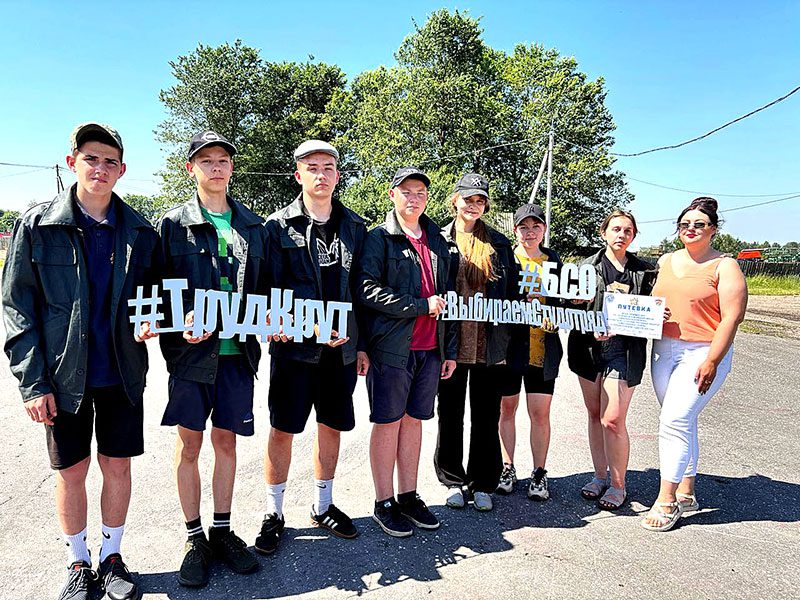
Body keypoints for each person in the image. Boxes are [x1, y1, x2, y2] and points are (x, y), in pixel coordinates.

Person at [2, 123, 160, 600]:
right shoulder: (38, 225)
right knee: (71, 471)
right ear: (73, 162)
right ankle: (78, 562)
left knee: (117, 466)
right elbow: (17, 307)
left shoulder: (140, 231)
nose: (100, 168)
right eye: (91, 158)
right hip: (61, 376)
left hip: (121, 373)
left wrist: (154, 320)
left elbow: (155, 297)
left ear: (122, 170)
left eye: (110, 161)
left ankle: (112, 557)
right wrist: (33, 383)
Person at [158, 131, 267, 586]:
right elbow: (156, 287)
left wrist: (272, 318)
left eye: (223, 159)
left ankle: (222, 531)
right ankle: (194, 538)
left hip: (237, 355)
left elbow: (266, 288)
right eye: (206, 160)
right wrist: (179, 317)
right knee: (189, 446)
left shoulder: (254, 226)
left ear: (232, 168)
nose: (216, 166)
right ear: (191, 168)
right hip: (191, 358)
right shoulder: (172, 224)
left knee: (227, 443)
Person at [257, 140, 369, 554]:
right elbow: (265, 288)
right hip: (294, 351)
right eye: (312, 167)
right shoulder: (276, 226)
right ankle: (274, 512)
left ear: (337, 175)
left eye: (328, 167)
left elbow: (361, 292)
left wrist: (361, 345)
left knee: (331, 425)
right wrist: (281, 322)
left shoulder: (356, 226)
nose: (321, 174)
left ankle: (323, 505)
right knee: (283, 429)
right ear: (298, 175)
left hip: (340, 351)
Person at [358, 167, 457, 537]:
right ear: (392, 195)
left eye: (420, 192)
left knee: (415, 421)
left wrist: (449, 349)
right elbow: (366, 289)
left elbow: (448, 297)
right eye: (406, 191)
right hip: (392, 349)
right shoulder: (379, 238)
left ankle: (408, 495)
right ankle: (383, 501)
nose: (413, 198)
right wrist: (419, 306)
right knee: (388, 422)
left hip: (431, 350)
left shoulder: (438, 241)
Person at [641, 197, 747, 531]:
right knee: (681, 420)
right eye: (685, 224)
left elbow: (732, 317)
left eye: (699, 224)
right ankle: (687, 492)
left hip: (702, 351)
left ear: (713, 229)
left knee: (674, 420)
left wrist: (713, 360)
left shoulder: (725, 266)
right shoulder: (666, 260)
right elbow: (652, 300)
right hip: (663, 348)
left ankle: (667, 500)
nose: (691, 229)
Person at [434, 173, 515, 512]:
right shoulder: (437, 239)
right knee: (449, 414)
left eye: (480, 200)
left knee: (486, 416)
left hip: (488, 344)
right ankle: (453, 480)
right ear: (455, 200)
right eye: (468, 199)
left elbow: (512, 295)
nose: (474, 205)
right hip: (450, 344)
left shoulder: (499, 243)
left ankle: (483, 482)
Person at [567, 210, 658, 510]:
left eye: (628, 230)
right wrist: (575, 305)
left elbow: (655, 307)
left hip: (624, 351)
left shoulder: (645, 271)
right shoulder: (584, 268)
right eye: (616, 229)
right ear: (603, 232)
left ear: (634, 236)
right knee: (595, 415)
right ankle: (599, 476)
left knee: (613, 419)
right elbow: (567, 310)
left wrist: (660, 312)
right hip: (587, 349)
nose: (622, 235)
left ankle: (618, 486)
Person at [496, 204, 563, 501]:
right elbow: (494, 300)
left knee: (540, 413)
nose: (530, 232)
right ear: (516, 230)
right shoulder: (506, 259)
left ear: (544, 229)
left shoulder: (555, 262)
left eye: (536, 226)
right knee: (506, 410)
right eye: (524, 227)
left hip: (543, 350)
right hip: (510, 349)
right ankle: (507, 467)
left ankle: (539, 472)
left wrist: (564, 307)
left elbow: (566, 303)